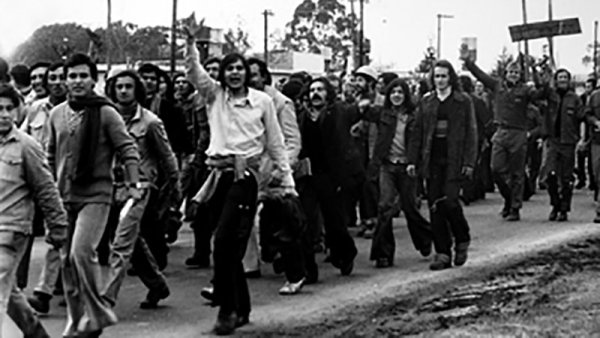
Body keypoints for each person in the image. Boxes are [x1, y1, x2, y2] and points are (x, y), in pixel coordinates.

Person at [184, 25, 291, 335]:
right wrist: (191, 44)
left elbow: (276, 143)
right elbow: (194, 72)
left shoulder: (262, 102)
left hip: (245, 177)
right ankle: (241, 308)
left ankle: (227, 310)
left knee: (224, 242)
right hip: (215, 175)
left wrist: (287, 182)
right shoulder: (214, 96)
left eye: (238, 69)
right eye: (228, 69)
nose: (233, 74)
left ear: (247, 73)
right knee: (225, 244)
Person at [46, 53, 141, 337]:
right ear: (65, 80)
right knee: (65, 261)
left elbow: (128, 149)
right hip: (64, 197)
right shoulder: (56, 114)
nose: (77, 81)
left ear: (93, 80)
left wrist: (133, 184)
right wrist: (48, 192)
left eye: (83, 76)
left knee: (81, 252)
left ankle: (97, 311)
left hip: (96, 195)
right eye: (72, 76)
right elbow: (50, 155)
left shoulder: (106, 112)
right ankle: (77, 320)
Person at [102, 69, 178, 308]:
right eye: (119, 86)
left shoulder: (151, 122)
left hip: (139, 188)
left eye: (128, 86)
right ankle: (157, 285)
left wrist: (175, 187)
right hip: (110, 187)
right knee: (133, 243)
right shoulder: (106, 118)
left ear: (137, 90)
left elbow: (167, 157)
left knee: (122, 242)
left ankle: (106, 298)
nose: (123, 91)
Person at [0, 83, 67, 338]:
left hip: (11, 232)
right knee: (10, 292)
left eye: (9, 108)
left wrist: (58, 225)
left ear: (18, 112)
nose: (4, 114)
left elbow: (46, 188)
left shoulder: (27, 146)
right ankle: (36, 333)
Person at [407, 60, 477, 270]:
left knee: (451, 202)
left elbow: (471, 133)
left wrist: (469, 162)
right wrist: (412, 160)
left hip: (455, 160)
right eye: (436, 76)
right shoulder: (427, 101)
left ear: (451, 78)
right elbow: (418, 133)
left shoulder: (463, 101)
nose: (440, 80)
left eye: (444, 76)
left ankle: (462, 237)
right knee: (435, 206)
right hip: (432, 159)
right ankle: (443, 252)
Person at [461, 45, 542, 221]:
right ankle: (508, 199)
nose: (513, 75)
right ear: (505, 73)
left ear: (520, 75)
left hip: (519, 133)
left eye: (517, 72)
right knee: (495, 169)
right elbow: (480, 75)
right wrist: (468, 61)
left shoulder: (526, 90)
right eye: (511, 72)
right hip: (500, 131)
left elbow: (540, 94)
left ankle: (515, 207)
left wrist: (536, 71)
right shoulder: (497, 86)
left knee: (517, 173)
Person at [245, 57, 304, 291]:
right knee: (240, 220)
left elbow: (293, 141)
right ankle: (245, 267)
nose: (250, 80)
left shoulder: (281, 103)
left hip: (276, 173)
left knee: (284, 226)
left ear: (264, 77)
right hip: (250, 170)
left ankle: (296, 274)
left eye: (254, 75)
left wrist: (282, 168)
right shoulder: (241, 101)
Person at [296, 77, 362, 280]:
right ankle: (308, 270)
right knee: (305, 220)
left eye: (320, 90)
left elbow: (352, 122)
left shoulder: (337, 113)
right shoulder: (302, 117)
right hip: (307, 175)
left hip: (331, 175)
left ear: (328, 94)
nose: (315, 94)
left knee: (334, 222)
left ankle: (344, 255)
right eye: (312, 90)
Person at [368, 78, 433, 268]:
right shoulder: (382, 113)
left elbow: (419, 141)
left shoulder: (415, 116)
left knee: (410, 207)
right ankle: (383, 253)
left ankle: (425, 239)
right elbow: (363, 113)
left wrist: (416, 163)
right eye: (393, 92)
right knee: (385, 207)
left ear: (406, 95)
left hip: (407, 167)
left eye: (400, 92)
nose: (396, 95)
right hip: (387, 165)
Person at [25, 62, 70, 314]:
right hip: (45, 181)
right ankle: (43, 291)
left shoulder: (88, 110)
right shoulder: (36, 109)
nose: (56, 81)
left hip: (77, 183)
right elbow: (22, 138)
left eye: (61, 76)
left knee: (78, 244)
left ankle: (154, 280)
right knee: (55, 235)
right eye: (52, 77)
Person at [540, 69, 584, 221]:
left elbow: (582, 116)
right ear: (556, 79)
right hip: (553, 140)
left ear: (569, 80)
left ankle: (564, 208)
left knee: (566, 178)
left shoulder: (575, 99)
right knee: (550, 175)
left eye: (565, 77)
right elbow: (542, 88)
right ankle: (555, 205)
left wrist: (581, 139)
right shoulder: (550, 96)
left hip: (568, 142)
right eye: (560, 77)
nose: (563, 80)